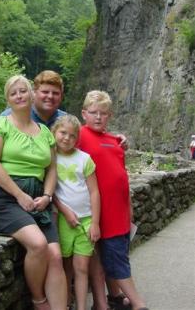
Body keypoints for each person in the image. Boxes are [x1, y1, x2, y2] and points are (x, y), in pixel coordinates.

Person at [0, 74, 67, 310]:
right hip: (2, 197)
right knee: (38, 245)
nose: (19, 95)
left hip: (38, 197)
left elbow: (51, 168)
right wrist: (20, 195)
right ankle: (39, 300)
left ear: (32, 94)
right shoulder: (0, 124)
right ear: (8, 100)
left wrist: (48, 196)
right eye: (13, 93)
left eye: (23, 91)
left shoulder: (45, 132)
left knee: (56, 257)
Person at [77, 91, 149, 310]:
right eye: (93, 112)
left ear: (110, 115)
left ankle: (111, 299)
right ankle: (138, 304)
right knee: (114, 257)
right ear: (83, 114)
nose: (98, 117)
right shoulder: (78, 136)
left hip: (119, 209)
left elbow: (122, 175)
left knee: (106, 257)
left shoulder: (115, 140)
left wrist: (129, 206)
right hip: (98, 210)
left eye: (103, 113)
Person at [52, 115, 101, 310]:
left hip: (86, 220)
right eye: (63, 133)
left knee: (82, 267)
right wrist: (65, 211)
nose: (66, 138)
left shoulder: (84, 158)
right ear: (54, 132)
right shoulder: (49, 157)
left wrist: (95, 222)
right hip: (63, 220)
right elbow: (50, 191)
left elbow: (94, 191)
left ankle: (81, 307)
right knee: (66, 267)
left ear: (77, 138)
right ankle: (66, 302)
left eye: (72, 136)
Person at [0, 70, 66, 157]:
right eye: (45, 92)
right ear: (33, 93)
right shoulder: (9, 117)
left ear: (61, 96)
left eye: (55, 93)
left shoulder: (66, 121)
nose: (50, 96)